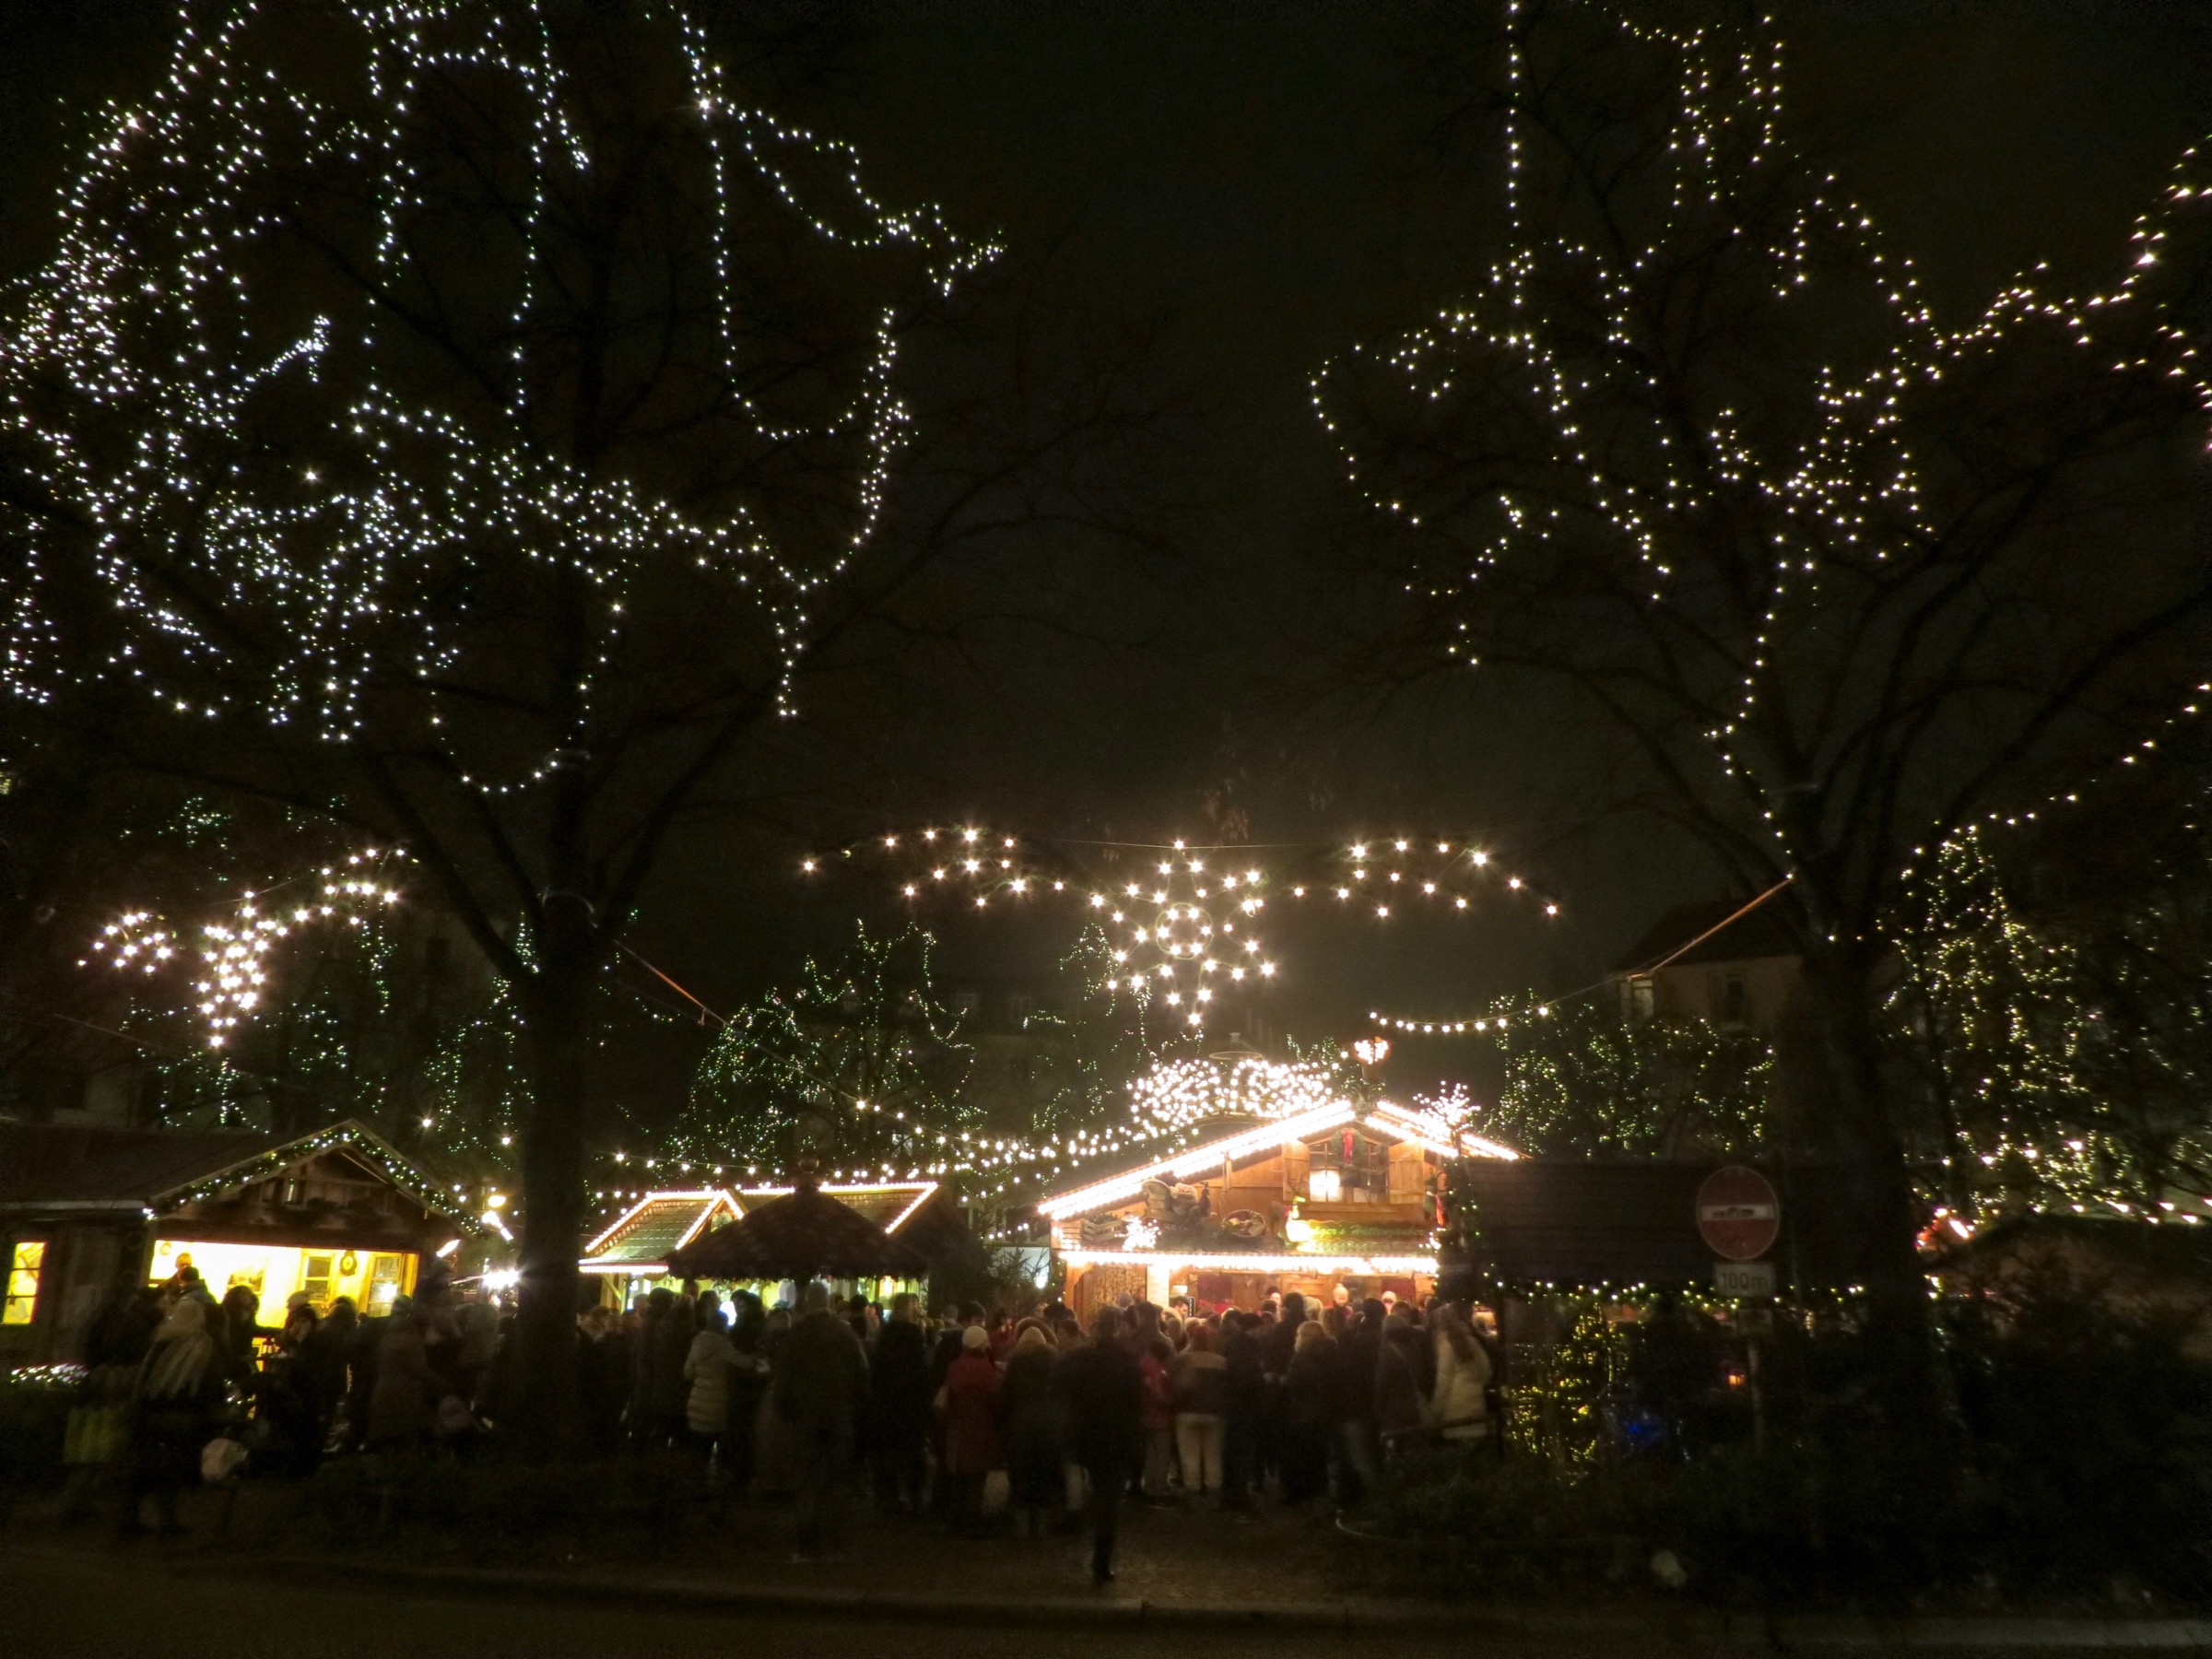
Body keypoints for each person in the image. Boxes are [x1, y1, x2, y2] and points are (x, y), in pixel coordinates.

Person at [772, 1282, 870, 1561]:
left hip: (805, 1416)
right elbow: (862, 1374)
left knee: (806, 1480)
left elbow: (784, 1379)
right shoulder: (845, 1333)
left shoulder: (797, 1335)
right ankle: (836, 1542)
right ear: (827, 1301)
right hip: (839, 1413)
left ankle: (807, 1544)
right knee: (838, 1479)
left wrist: (786, 1410)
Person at [119, 1294, 220, 1537]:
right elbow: (208, 1386)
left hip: (150, 1417)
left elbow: (143, 1380)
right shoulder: (199, 1345)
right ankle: (167, 1522)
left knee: (143, 1469)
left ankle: (128, 1519)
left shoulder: (161, 1340)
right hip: (182, 1419)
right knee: (170, 1472)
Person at [1055, 1304, 1142, 1584]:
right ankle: (1102, 1560)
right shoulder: (1127, 1362)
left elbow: (1068, 1396)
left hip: (1088, 1434)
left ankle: (1087, 1537)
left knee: (1094, 1489)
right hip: (1116, 1438)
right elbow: (1135, 1403)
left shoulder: (1082, 1360)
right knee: (1109, 1499)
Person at [869, 1292, 934, 1513]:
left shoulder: (885, 1334)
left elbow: (876, 1368)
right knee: (913, 1453)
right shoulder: (914, 1334)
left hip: (887, 1403)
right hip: (910, 1404)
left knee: (887, 1452)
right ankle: (914, 1498)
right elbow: (923, 1370)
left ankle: (887, 1498)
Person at [1000, 1324, 1063, 1537]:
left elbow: (1006, 1397)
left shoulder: (1015, 1362)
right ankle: (1043, 1526)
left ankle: (1023, 1527)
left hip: (1021, 1425)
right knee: (1044, 1474)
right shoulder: (1053, 1361)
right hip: (1047, 1426)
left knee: (1021, 1474)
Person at [939, 1324, 1002, 1533]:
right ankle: (972, 1521)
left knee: (959, 1476)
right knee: (976, 1477)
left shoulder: (955, 1366)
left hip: (958, 1426)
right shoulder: (986, 1369)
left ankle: (954, 1520)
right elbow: (995, 1400)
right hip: (981, 1427)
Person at [366, 1297, 437, 1453]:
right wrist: (439, 1382)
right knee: (399, 1439)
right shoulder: (410, 1339)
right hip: (403, 1392)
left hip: (382, 1388)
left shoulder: (386, 1335)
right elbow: (418, 1368)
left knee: (383, 1437)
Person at [1170, 1319, 1228, 1504]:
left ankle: (1193, 1492)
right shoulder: (1221, 1361)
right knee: (1213, 1455)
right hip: (1215, 1413)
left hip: (1187, 1412)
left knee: (1190, 1457)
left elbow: (1173, 1384)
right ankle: (1213, 1491)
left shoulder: (1183, 1359)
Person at [1281, 1319, 1337, 1505]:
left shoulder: (1301, 1358)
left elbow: (1295, 1385)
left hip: (1303, 1412)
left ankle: (1300, 1494)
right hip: (1325, 1411)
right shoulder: (1331, 1354)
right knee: (1318, 1456)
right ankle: (1319, 1492)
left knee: (1300, 1455)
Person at [684, 1307, 743, 1478]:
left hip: (697, 1401)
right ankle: (716, 1482)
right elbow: (743, 1362)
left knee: (699, 1448)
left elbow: (687, 1372)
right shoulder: (723, 1345)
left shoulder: (697, 1342)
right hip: (718, 1401)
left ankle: (696, 1482)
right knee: (718, 1443)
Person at [1219, 1308, 1265, 1513]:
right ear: (1255, 1328)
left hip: (1233, 1405)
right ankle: (1240, 1498)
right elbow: (1246, 1378)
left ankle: (1230, 1495)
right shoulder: (1248, 1346)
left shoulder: (1234, 1344)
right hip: (1244, 1407)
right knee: (1242, 1454)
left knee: (1233, 1452)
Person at [1430, 1302, 1493, 1443]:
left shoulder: (1447, 1344)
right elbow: (1486, 1371)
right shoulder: (1472, 1341)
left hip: (1455, 1409)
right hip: (1476, 1404)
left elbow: (1443, 1382)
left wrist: (1435, 1412)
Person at [1137, 1332, 1176, 1500]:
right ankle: (1158, 1489)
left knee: (1150, 1455)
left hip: (1145, 1416)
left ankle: (1149, 1486)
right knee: (1161, 1455)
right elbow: (1158, 1395)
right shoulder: (1157, 1370)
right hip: (1160, 1418)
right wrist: (1173, 1401)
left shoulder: (1142, 1365)